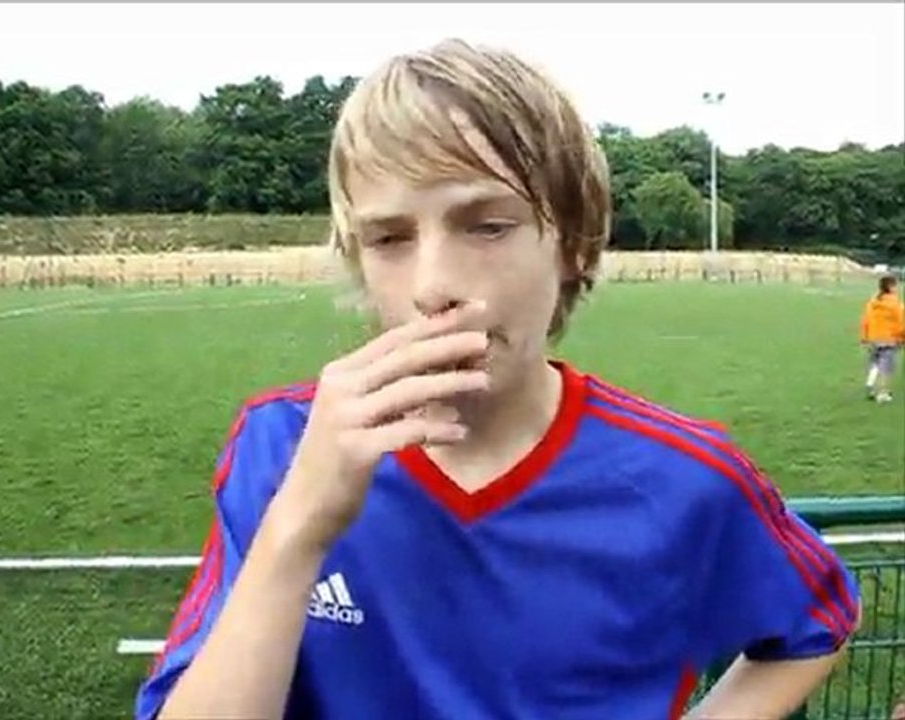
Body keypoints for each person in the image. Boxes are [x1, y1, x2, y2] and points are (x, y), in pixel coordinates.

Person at [135, 39, 860, 720]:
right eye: (389, 239)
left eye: (487, 226)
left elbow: (817, 622)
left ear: (573, 245)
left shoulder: (684, 478)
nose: (433, 288)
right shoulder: (279, 447)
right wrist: (298, 528)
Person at [860, 273, 905, 403]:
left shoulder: (873, 302)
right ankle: (883, 393)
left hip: (873, 338)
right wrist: (902, 338)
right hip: (889, 340)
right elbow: (901, 323)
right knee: (886, 368)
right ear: (891, 287)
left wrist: (864, 336)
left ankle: (870, 386)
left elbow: (865, 320)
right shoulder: (896, 304)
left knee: (874, 363)